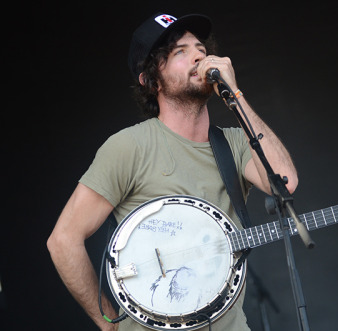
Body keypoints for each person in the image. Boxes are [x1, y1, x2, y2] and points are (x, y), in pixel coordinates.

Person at [47, 11, 298, 331]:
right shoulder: (129, 147)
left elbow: (284, 184)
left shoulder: (235, 144)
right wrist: (108, 323)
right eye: (180, 52)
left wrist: (235, 95)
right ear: (151, 79)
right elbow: (63, 239)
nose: (197, 56)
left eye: (201, 49)